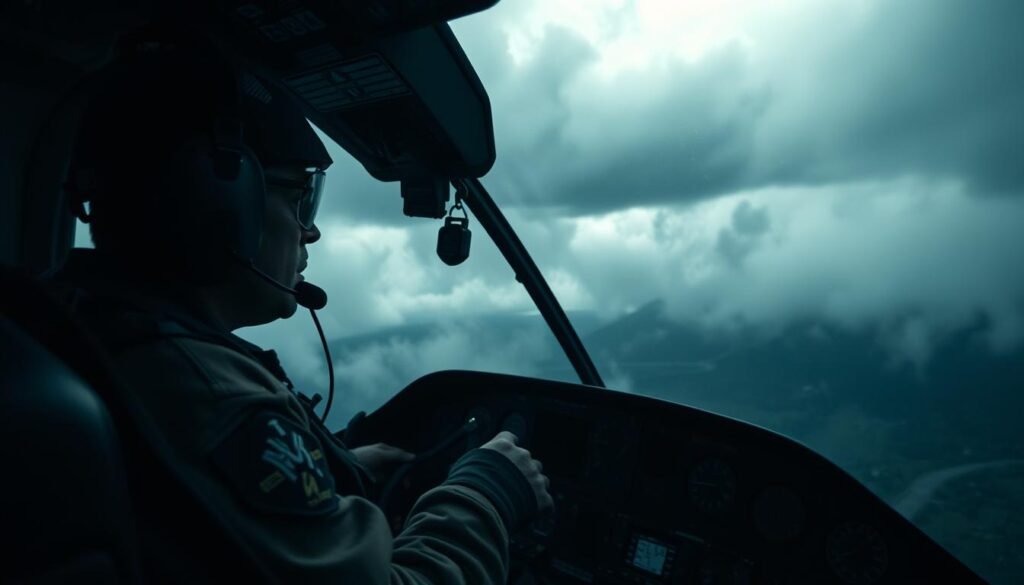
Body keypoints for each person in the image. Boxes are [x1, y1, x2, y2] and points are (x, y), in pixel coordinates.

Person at [56, 31, 552, 583]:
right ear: (220, 202)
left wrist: (327, 470)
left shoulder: (82, 327)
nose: (310, 230)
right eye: (298, 196)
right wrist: (484, 495)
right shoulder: (214, 401)